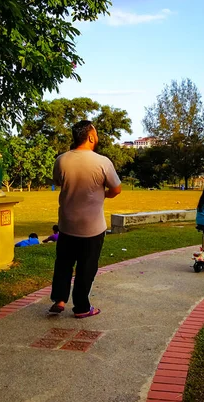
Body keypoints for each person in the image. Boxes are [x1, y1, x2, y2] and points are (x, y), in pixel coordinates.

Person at [49, 120, 122, 318]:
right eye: (96, 134)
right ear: (90, 137)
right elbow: (116, 188)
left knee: (63, 263)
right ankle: (81, 307)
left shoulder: (61, 160)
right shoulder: (102, 162)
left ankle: (60, 299)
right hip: (92, 227)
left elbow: (58, 181)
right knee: (86, 267)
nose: (97, 137)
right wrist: (103, 195)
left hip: (67, 223)